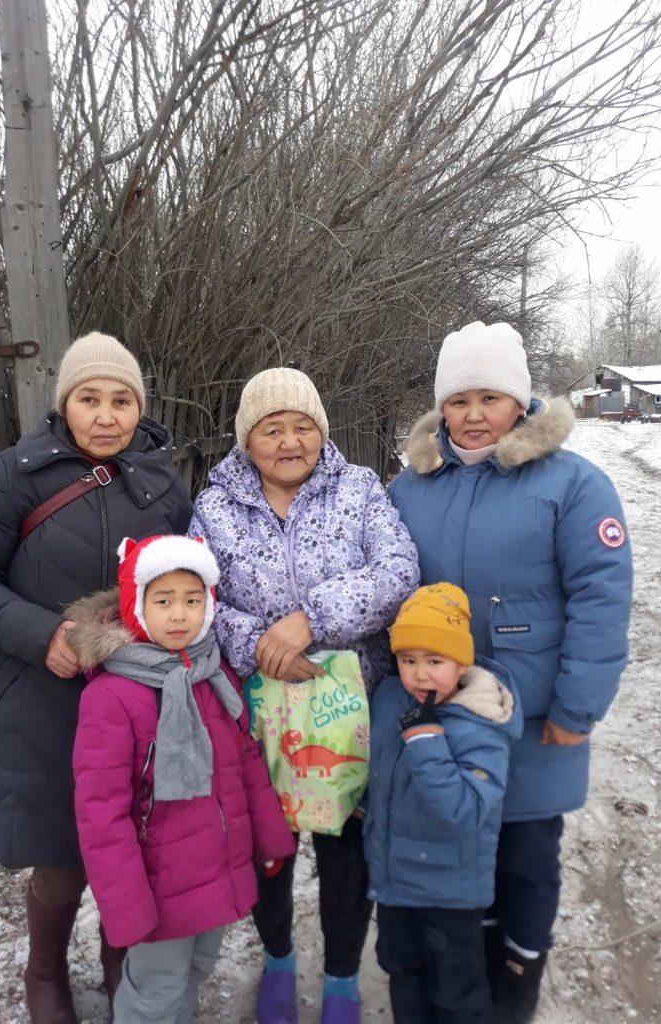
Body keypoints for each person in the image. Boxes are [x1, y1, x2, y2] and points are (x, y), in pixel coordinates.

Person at [0, 333, 192, 1023]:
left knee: (132, 837)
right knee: (61, 848)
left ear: (139, 407)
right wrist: (40, 634)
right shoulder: (15, 474)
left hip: (136, 697)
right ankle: (45, 969)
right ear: (64, 404)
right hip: (41, 693)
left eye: (121, 401)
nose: (106, 416)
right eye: (89, 399)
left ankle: (118, 957)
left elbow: (186, 579)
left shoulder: (162, 482)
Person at [389, 321, 633, 1023]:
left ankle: (519, 978)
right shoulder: (411, 486)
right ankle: (469, 979)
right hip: (444, 714)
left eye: (489, 398)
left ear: (520, 402)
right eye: (458, 399)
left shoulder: (573, 485)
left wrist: (577, 708)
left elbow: (601, 598)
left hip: (533, 716)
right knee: (464, 851)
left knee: (525, 856)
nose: (472, 415)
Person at [189, 367, 420, 1024]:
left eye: (302, 426)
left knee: (347, 850)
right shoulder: (214, 509)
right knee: (270, 844)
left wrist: (311, 620)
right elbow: (198, 599)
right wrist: (262, 645)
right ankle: (280, 960)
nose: (290, 442)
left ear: (321, 430)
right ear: (247, 439)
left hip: (351, 711)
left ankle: (342, 976)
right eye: (272, 429)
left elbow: (399, 571)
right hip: (260, 712)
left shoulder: (359, 489)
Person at [69, 534, 296, 1024]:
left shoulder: (214, 674)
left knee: (196, 971)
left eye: (192, 601)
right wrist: (125, 904)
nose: (179, 615)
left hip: (218, 868)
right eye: (163, 601)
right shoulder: (112, 697)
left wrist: (270, 838)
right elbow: (101, 814)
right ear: (137, 606)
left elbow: (246, 762)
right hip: (157, 886)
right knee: (156, 992)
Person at [364, 583, 521, 1023]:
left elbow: (464, 811)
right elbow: (380, 768)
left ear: (461, 662)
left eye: (435, 661)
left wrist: (426, 741)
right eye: (408, 660)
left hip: (450, 894)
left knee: (456, 992)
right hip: (394, 883)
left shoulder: (481, 723)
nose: (420, 674)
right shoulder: (390, 699)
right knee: (401, 972)